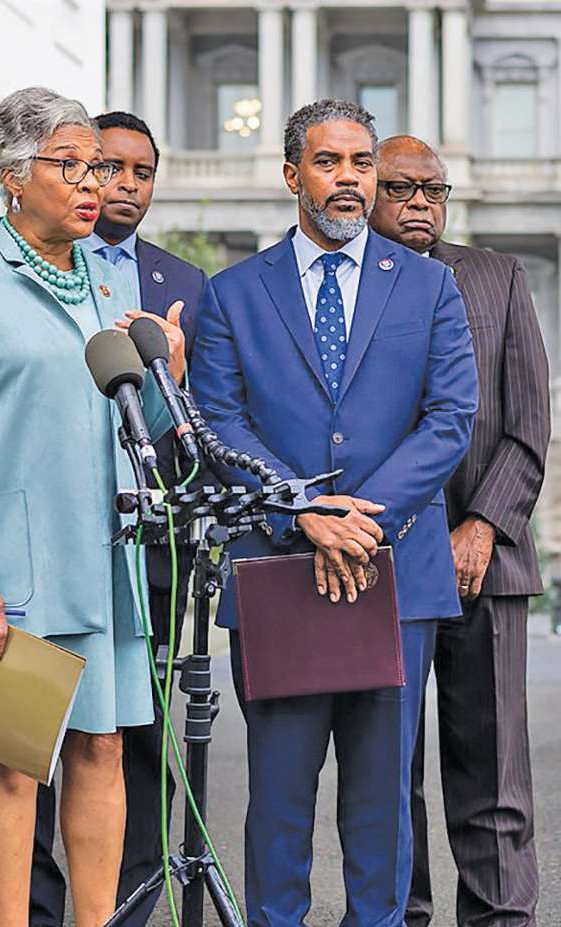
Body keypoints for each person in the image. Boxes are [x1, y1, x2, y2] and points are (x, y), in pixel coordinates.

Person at [189, 100, 478, 925]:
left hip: (398, 574)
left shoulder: (430, 285)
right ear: (293, 175)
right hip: (279, 573)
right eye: (328, 162)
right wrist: (305, 510)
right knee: (279, 799)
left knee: (383, 804)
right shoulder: (233, 293)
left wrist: (363, 520)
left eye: (361, 162)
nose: (349, 178)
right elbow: (220, 421)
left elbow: (450, 417)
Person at [0, 87, 185, 927]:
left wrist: (168, 370)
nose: (95, 183)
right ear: (14, 176)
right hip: (11, 570)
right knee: (13, 759)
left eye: (98, 166)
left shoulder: (107, 280)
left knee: (103, 748)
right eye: (73, 165)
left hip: (105, 560)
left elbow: (136, 423)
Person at [29, 109, 210, 927]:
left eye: (142, 171)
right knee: (32, 740)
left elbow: (199, 418)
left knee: (134, 740)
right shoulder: (37, 262)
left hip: (150, 550)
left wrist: (177, 376)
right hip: (47, 542)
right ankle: (36, 908)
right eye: (109, 167)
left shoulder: (184, 282)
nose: (125, 184)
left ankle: (126, 908)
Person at [370, 135, 548, 927]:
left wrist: (482, 524)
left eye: (434, 190)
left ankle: (501, 917)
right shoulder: (348, 287)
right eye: (402, 188)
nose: (420, 203)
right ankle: (401, 913)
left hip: (488, 563)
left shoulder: (497, 277)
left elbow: (529, 425)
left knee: (495, 772)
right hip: (381, 569)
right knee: (386, 774)